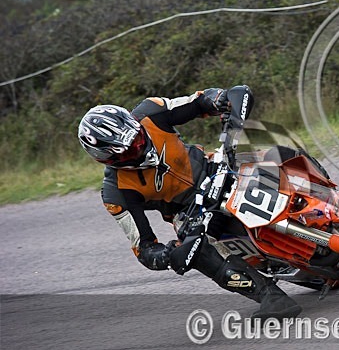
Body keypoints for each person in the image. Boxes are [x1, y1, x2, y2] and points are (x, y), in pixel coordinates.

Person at [77, 87, 301, 319]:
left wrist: (219, 101)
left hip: (217, 168)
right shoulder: (116, 193)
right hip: (191, 212)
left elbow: (200, 101)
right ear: (106, 158)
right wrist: (165, 254)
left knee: (273, 152)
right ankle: (270, 297)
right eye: (128, 151)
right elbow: (144, 247)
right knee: (194, 252)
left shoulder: (152, 111)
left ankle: (330, 197)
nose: (139, 147)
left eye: (138, 138)